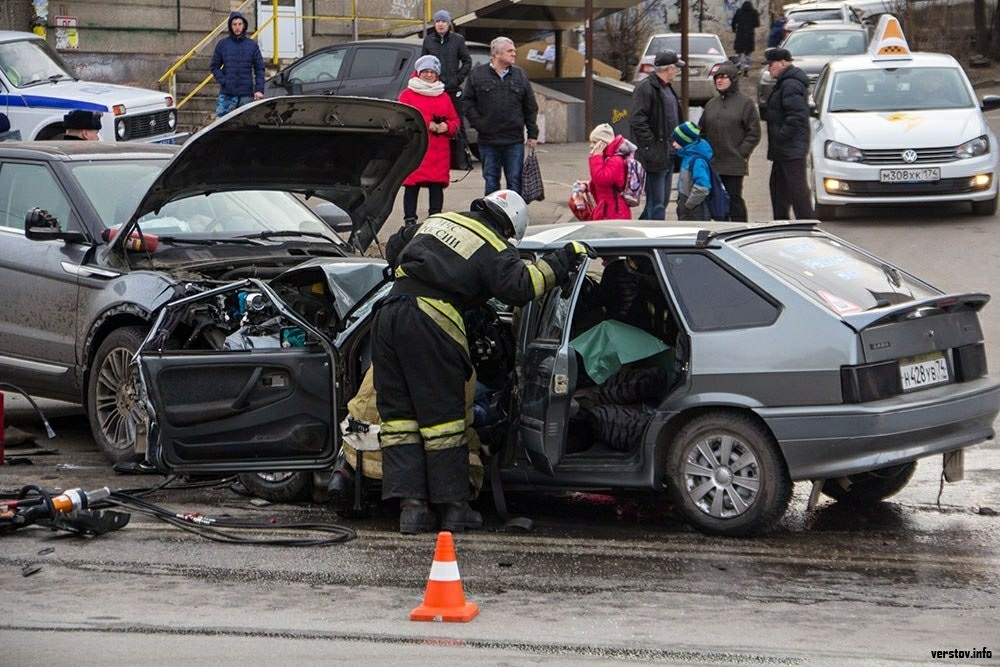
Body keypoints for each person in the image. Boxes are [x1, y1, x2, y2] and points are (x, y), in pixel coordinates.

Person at [373, 190, 590, 534]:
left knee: (400, 419)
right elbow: (523, 285)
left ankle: (411, 510)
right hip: (432, 320)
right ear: (510, 229)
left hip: (388, 315)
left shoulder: (439, 219)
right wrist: (564, 258)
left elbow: (393, 247)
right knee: (443, 420)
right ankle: (454, 508)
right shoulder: (493, 245)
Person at [463, 37, 539, 196]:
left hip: (513, 140)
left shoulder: (519, 75)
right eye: (509, 51)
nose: (514, 54)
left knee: (515, 180)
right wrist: (479, 124)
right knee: (491, 180)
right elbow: (467, 102)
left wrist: (532, 134)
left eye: (514, 51)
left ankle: (514, 215)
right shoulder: (478, 74)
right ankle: (492, 215)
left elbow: (530, 106)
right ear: (496, 53)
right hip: (488, 140)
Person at [397, 55, 460, 226]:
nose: (429, 75)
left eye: (432, 72)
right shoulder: (408, 94)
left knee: (436, 186)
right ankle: (410, 220)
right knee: (412, 185)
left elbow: (455, 120)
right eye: (425, 71)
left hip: (439, 150)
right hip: (416, 148)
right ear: (418, 72)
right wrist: (427, 123)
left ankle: (435, 219)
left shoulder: (443, 96)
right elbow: (404, 117)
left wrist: (447, 127)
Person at [698, 62, 761, 221]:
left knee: (734, 198)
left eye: (724, 77)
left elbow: (754, 132)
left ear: (733, 79)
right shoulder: (711, 104)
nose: (720, 81)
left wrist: (741, 152)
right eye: (717, 77)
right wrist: (705, 153)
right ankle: (722, 227)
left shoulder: (745, 103)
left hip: (733, 162)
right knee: (717, 200)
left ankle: (740, 228)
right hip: (713, 162)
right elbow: (702, 130)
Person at [629, 50, 684, 221]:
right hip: (655, 154)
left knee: (661, 202)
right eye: (676, 68)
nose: (677, 72)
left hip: (668, 154)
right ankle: (655, 240)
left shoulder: (667, 88)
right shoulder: (646, 88)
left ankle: (641, 234)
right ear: (669, 69)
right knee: (657, 203)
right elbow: (637, 119)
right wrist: (650, 146)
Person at [763, 48, 814, 220]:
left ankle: (806, 223)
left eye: (771, 65)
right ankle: (781, 222)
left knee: (796, 189)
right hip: (784, 149)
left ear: (783, 63)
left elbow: (797, 116)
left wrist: (781, 135)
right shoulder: (785, 82)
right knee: (779, 188)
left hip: (790, 148)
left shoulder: (791, 84)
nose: (768, 69)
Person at [210, 11, 265, 119]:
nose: (237, 27)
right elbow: (214, 67)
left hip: (246, 95)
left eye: (240, 24)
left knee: (246, 126)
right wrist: (224, 81)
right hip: (227, 94)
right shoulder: (222, 45)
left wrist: (259, 90)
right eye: (234, 24)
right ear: (230, 26)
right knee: (222, 126)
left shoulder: (252, 45)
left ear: (244, 25)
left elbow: (259, 69)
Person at [421, 10, 472, 116]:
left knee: (457, 121)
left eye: (443, 21)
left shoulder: (458, 40)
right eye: (437, 21)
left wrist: (457, 79)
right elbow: (423, 64)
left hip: (452, 89)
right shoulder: (428, 41)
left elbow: (467, 61)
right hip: (434, 89)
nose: (440, 24)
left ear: (448, 23)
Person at [586, 123, 631, 221]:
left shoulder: (616, 160)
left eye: (594, 142)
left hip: (614, 213)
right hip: (608, 210)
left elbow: (601, 179)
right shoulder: (607, 158)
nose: (591, 146)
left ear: (603, 143)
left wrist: (596, 157)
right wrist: (587, 186)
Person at [671, 121, 714, 221]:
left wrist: (688, 205)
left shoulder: (697, 161)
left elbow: (702, 187)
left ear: (685, 142)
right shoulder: (687, 157)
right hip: (688, 206)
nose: (673, 144)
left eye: (676, 141)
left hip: (695, 210)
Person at [731, 0, 761, 76]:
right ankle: (746, 71)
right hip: (749, 36)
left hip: (740, 35)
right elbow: (757, 24)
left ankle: (737, 67)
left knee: (738, 53)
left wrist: (734, 29)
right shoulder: (754, 12)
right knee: (747, 55)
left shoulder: (739, 11)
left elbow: (733, 22)